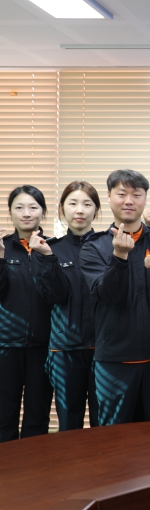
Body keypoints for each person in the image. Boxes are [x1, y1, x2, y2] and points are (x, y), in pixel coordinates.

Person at [80, 169, 150, 425]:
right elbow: (106, 296)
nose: (129, 201)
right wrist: (118, 257)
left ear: (145, 199)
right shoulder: (94, 246)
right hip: (115, 360)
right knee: (115, 436)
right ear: (109, 197)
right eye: (122, 194)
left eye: (136, 194)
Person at [30, 182, 100, 431]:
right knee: (69, 424)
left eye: (87, 204)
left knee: (105, 426)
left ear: (96, 210)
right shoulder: (49, 248)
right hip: (65, 350)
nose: (79, 210)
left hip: (105, 350)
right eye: (72, 203)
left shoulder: (108, 245)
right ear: (61, 209)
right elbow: (53, 295)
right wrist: (48, 258)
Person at [0, 186, 53, 442]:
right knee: (4, 415)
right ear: (10, 212)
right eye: (19, 207)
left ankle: (35, 465)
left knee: (38, 415)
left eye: (33, 207)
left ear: (43, 211)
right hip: (5, 346)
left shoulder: (52, 247)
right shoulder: (3, 247)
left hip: (44, 346)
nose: (26, 213)